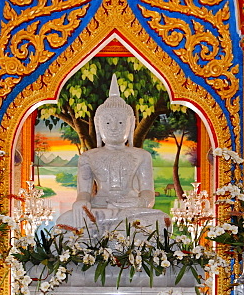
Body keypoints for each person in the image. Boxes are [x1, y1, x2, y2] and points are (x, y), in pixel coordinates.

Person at [56, 75, 167, 230]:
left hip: (132, 209)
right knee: (65, 221)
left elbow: (148, 192)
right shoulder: (88, 157)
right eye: (107, 122)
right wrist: (81, 202)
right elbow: (84, 192)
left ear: (131, 125)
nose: (114, 127)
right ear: (98, 126)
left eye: (121, 122)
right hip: (100, 210)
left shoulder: (142, 156)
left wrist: (141, 202)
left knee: (161, 220)